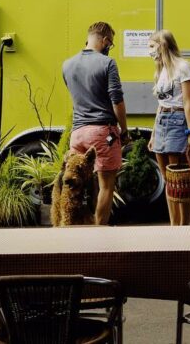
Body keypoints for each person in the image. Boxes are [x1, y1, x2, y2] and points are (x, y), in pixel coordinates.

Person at [62, 21, 130, 225]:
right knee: (106, 186)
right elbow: (116, 99)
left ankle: (70, 225)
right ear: (105, 40)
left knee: (73, 186)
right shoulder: (107, 63)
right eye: (111, 43)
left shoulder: (67, 64)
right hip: (102, 133)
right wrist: (124, 129)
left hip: (77, 133)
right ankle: (99, 233)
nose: (110, 47)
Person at [146, 29, 190, 226]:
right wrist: (153, 133)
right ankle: (173, 225)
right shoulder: (162, 69)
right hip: (162, 121)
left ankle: (183, 226)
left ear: (163, 45)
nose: (150, 51)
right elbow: (161, 104)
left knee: (180, 179)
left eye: (152, 46)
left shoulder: (184, 67)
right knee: (168, 180)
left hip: (177, 121)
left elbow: (188, 103)